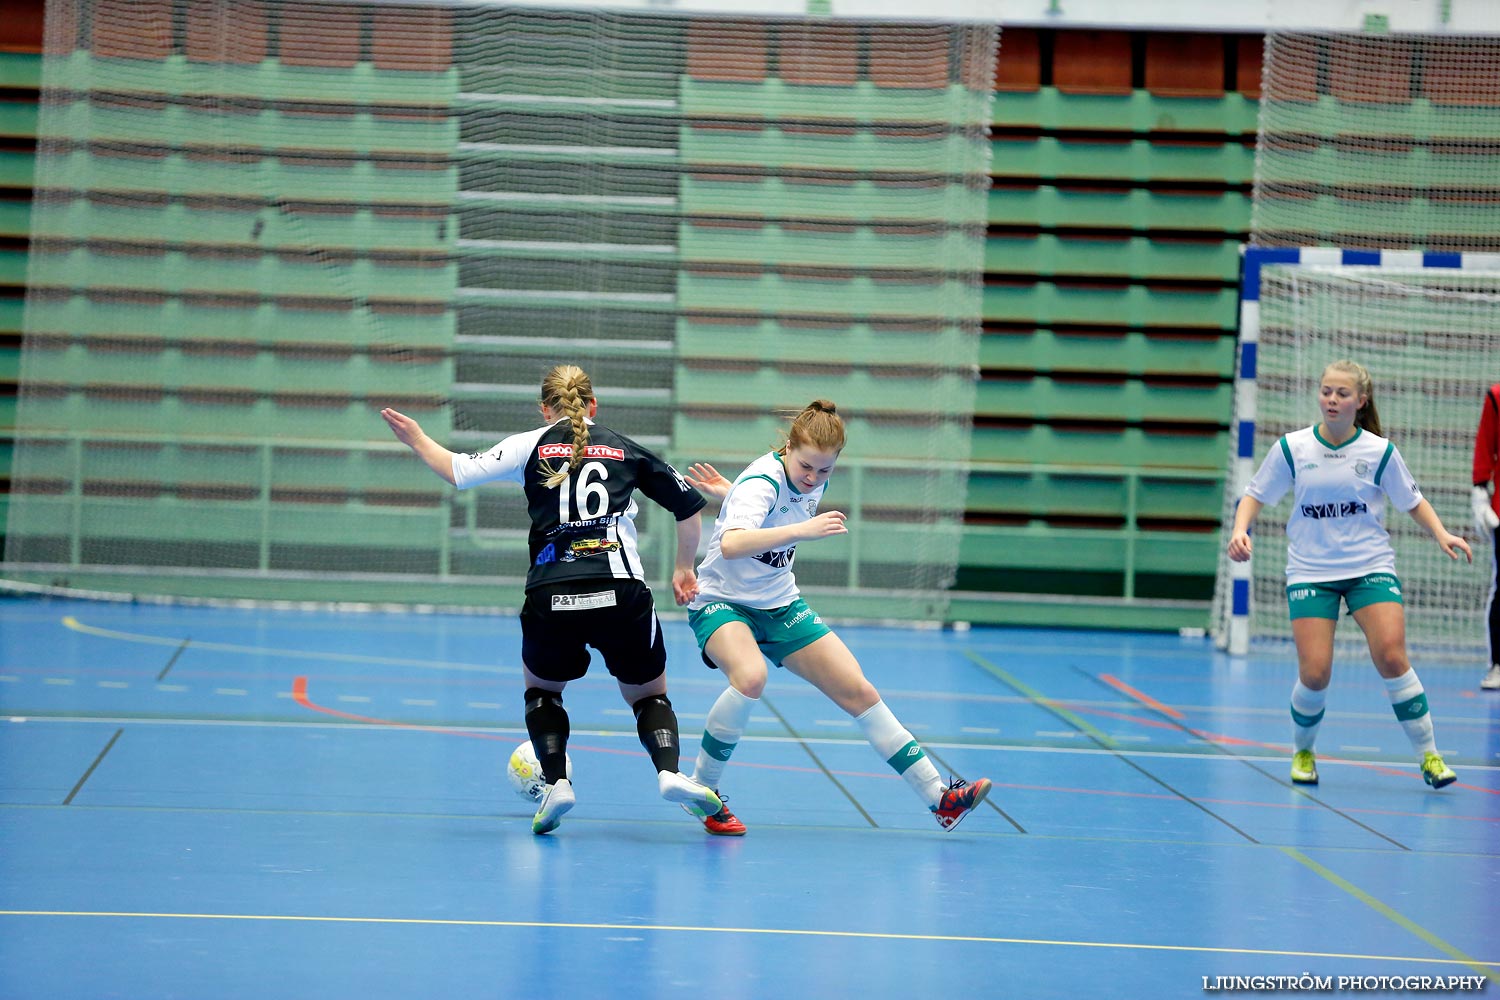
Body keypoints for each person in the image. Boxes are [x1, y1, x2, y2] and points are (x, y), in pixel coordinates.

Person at [380, 364, 721, 834]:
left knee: (543, 692)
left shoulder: (529, 444)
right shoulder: (624, 447)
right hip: (621, 590)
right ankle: (669, 773)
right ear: (593, 404)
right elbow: (689, 508)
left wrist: (417, 438)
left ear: (544, 410)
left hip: (550, 593)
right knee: (648, 695)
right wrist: (684, 569)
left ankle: (558, 782)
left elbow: (458, 471)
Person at [678, 399, 992, 835]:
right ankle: (703, 792)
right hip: (723, 601)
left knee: (859, 691)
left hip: (781, 603)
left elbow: (780, 505)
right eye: (806, 466)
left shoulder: (807, 481)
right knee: (750, 678)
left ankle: (940, 798)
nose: (813, 478)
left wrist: (732, 494)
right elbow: (732, 544)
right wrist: (791, 523)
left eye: (825, 471)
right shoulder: (761, 482)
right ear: (788, 448)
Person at [1227, 360, 1473, 789]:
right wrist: (1239, 530)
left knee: (1392, 656)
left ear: (1360, 401)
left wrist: (1441, 533)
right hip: (1311, 570)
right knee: (1316, 672)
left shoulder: (1379, 452)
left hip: (1369, 566)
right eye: (1326, 391)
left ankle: (1430, 756)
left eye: (1341, 393)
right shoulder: (1293, 449)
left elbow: (1412, 500)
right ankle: (1303, 751)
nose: (1332, 400)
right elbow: (1254, 495)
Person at [1472, 380, 1500, 691]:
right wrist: (1479, 492)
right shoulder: (1496, 396)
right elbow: (1486, 444)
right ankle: (1498, 663)